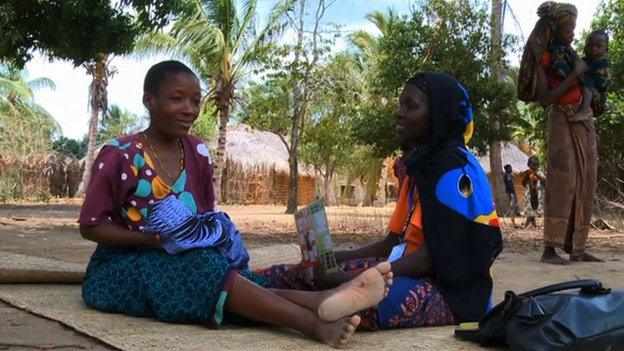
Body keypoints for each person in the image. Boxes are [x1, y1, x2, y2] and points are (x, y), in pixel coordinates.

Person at [78, 60, 394, 348]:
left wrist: (216, 237)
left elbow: (201, 218)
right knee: (203, 272)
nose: (189, 109)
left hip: (183, 257)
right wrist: (147, 240)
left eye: (195, 101)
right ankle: (311, 320)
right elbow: (91, 227)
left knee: (223, 272)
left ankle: (323, 300)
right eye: (177, 99)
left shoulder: (198, 152)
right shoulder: (119, 155)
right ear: (150, 101)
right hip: (121, 267)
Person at [256, 72, 503, 329]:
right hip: (406, 270)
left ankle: (261, 301)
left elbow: (433, 258)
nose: (399, 112)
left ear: (439, 115)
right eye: (400, 104)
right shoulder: (422, 166)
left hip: (450, 292)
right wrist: (337, 258)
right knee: (309, 274)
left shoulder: (453, 170)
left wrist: (351, 276)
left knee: (369, 302)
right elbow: (393, 242)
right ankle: (250, 284)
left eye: (411, 106)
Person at [518, 2, 603, 264]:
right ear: (554, 29)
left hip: (582, 121)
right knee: (562, 182)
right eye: (569, 30)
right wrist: (573, 76)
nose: (573, 34)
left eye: (574, 29)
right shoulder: (545, 59)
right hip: (562, 119)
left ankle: (577, 247)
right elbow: (546, 98)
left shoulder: (571, 54)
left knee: (586, 181)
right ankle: (550, 249)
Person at [569, 30, 612, 121]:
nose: (594, 48)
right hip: (579, 100)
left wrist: (582, 74)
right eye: (590, 45)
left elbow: (603, 82)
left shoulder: (603, 64)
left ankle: (584, 111)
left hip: (597, 100)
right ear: (585, 47)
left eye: (598, 46)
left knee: (587, 84)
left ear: (606, 50)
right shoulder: (584, 60)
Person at [521, 156, 546, 228]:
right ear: (528, 165)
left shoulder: (540, 173)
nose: (534, 167)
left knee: (533, 210)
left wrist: (537, 176)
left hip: (538, 195)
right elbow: (523, 183)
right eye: (532, 165)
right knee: (529, 209)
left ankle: (529, 225)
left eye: (536, 165)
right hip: (528, 195)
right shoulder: (527, 173)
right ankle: (529, 225)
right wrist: (527, 176)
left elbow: (545, 182)